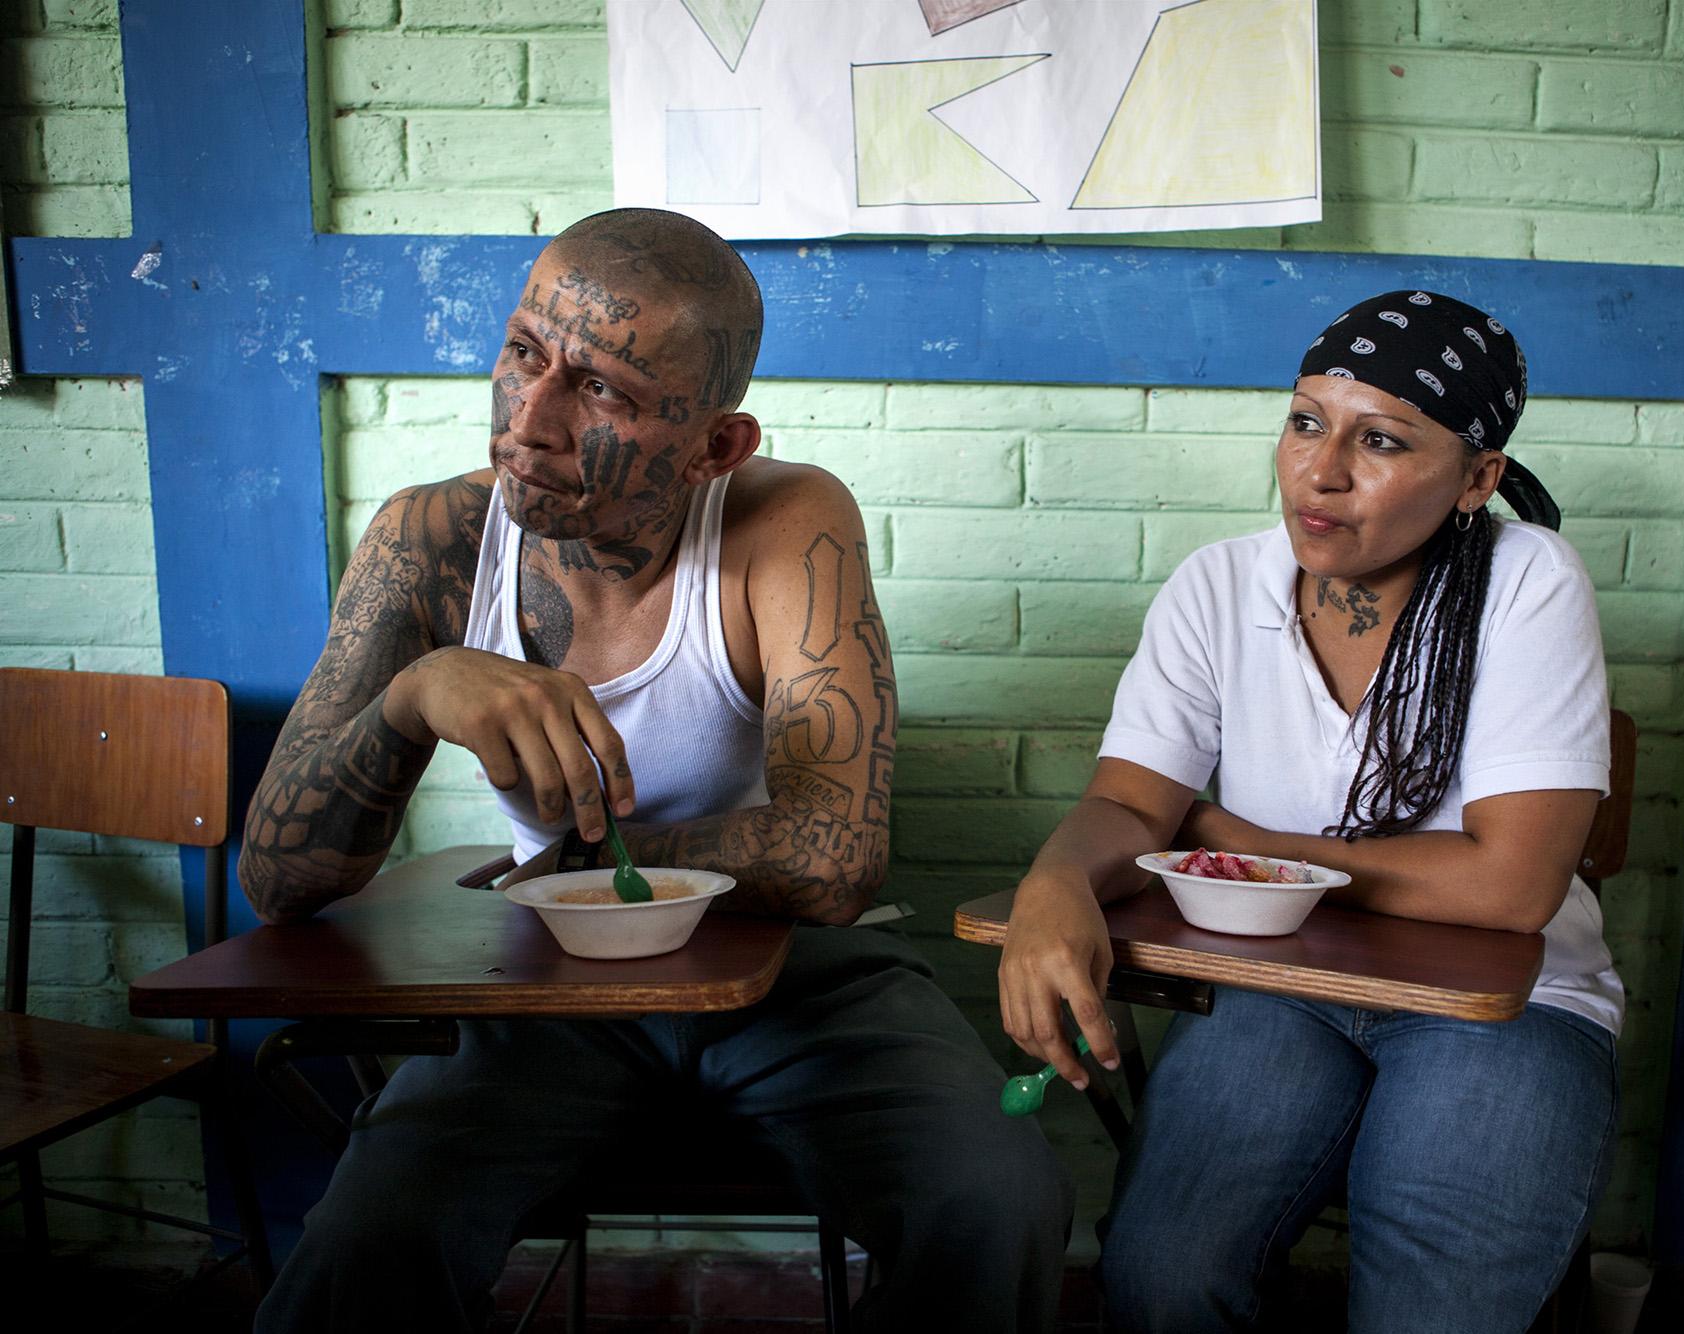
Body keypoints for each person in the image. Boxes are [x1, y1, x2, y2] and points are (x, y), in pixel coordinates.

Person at [240, 208, 1072, 1333]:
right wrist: (414, 692)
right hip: (552, 987)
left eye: (601, 391)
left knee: (999, 1201)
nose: (527, 420)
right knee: (363, 1243)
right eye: (524, 353)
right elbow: (278, 883)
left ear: (715, 446)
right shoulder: (427, 540)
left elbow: (832, 865)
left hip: (803, 976)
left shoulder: (782, 517)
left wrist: (570, 861)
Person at [997, 291, 1621, 1333]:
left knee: (1433, 1309)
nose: (1319, 470)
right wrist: (1053, 883)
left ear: (1477, 478)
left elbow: (1510, 888)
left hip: (1504, 1006)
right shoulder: (1216, 585)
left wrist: (1247, 844)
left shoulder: (1525, 580)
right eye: (1302, 422)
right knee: (1161, 1276)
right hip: (1278, 985)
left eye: (1378, 440)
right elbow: (1127, 803)